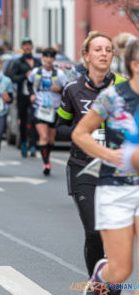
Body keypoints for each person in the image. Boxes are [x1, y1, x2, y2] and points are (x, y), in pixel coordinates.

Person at [57, 32, 126, 290]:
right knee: (94, 230)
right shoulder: (73, 89)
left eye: (108, 49)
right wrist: (81, 131)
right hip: (82, 166)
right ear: (86, 55)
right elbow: (60, 128)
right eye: (98, 49)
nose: (104, 54)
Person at [72, 39, 139, 295]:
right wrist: (110, 155)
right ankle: (101, 275)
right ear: (135, 65)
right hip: (117, 189)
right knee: (121, 272)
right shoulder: (113, 97)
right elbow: (80, 133)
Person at [28, 47, 68, 175]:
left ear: (54, 59)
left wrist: (60, 90)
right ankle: (46, 164)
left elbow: (68, 90)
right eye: (46, 57)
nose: (48, 60)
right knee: (43, 136)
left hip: (54, 109)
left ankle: (47, 156)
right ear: (42, 58)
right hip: (40, 108)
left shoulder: (60, 75)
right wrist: (32, 95)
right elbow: (29, 83)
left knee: (51, 140)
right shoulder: (36, 72)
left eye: (51, 57)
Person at [7, 38, 42, 158]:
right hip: (23, 95)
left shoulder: (37, 62)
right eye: (25, 45)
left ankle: (33, 144)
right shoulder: (18, 62)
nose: (27, 47)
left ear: (32, 47)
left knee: (34, 119)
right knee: (22, 120)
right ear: (22, 47)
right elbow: (11, 77)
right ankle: (23, 143)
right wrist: (24, 76)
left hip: (36, 95)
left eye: (29, 45)